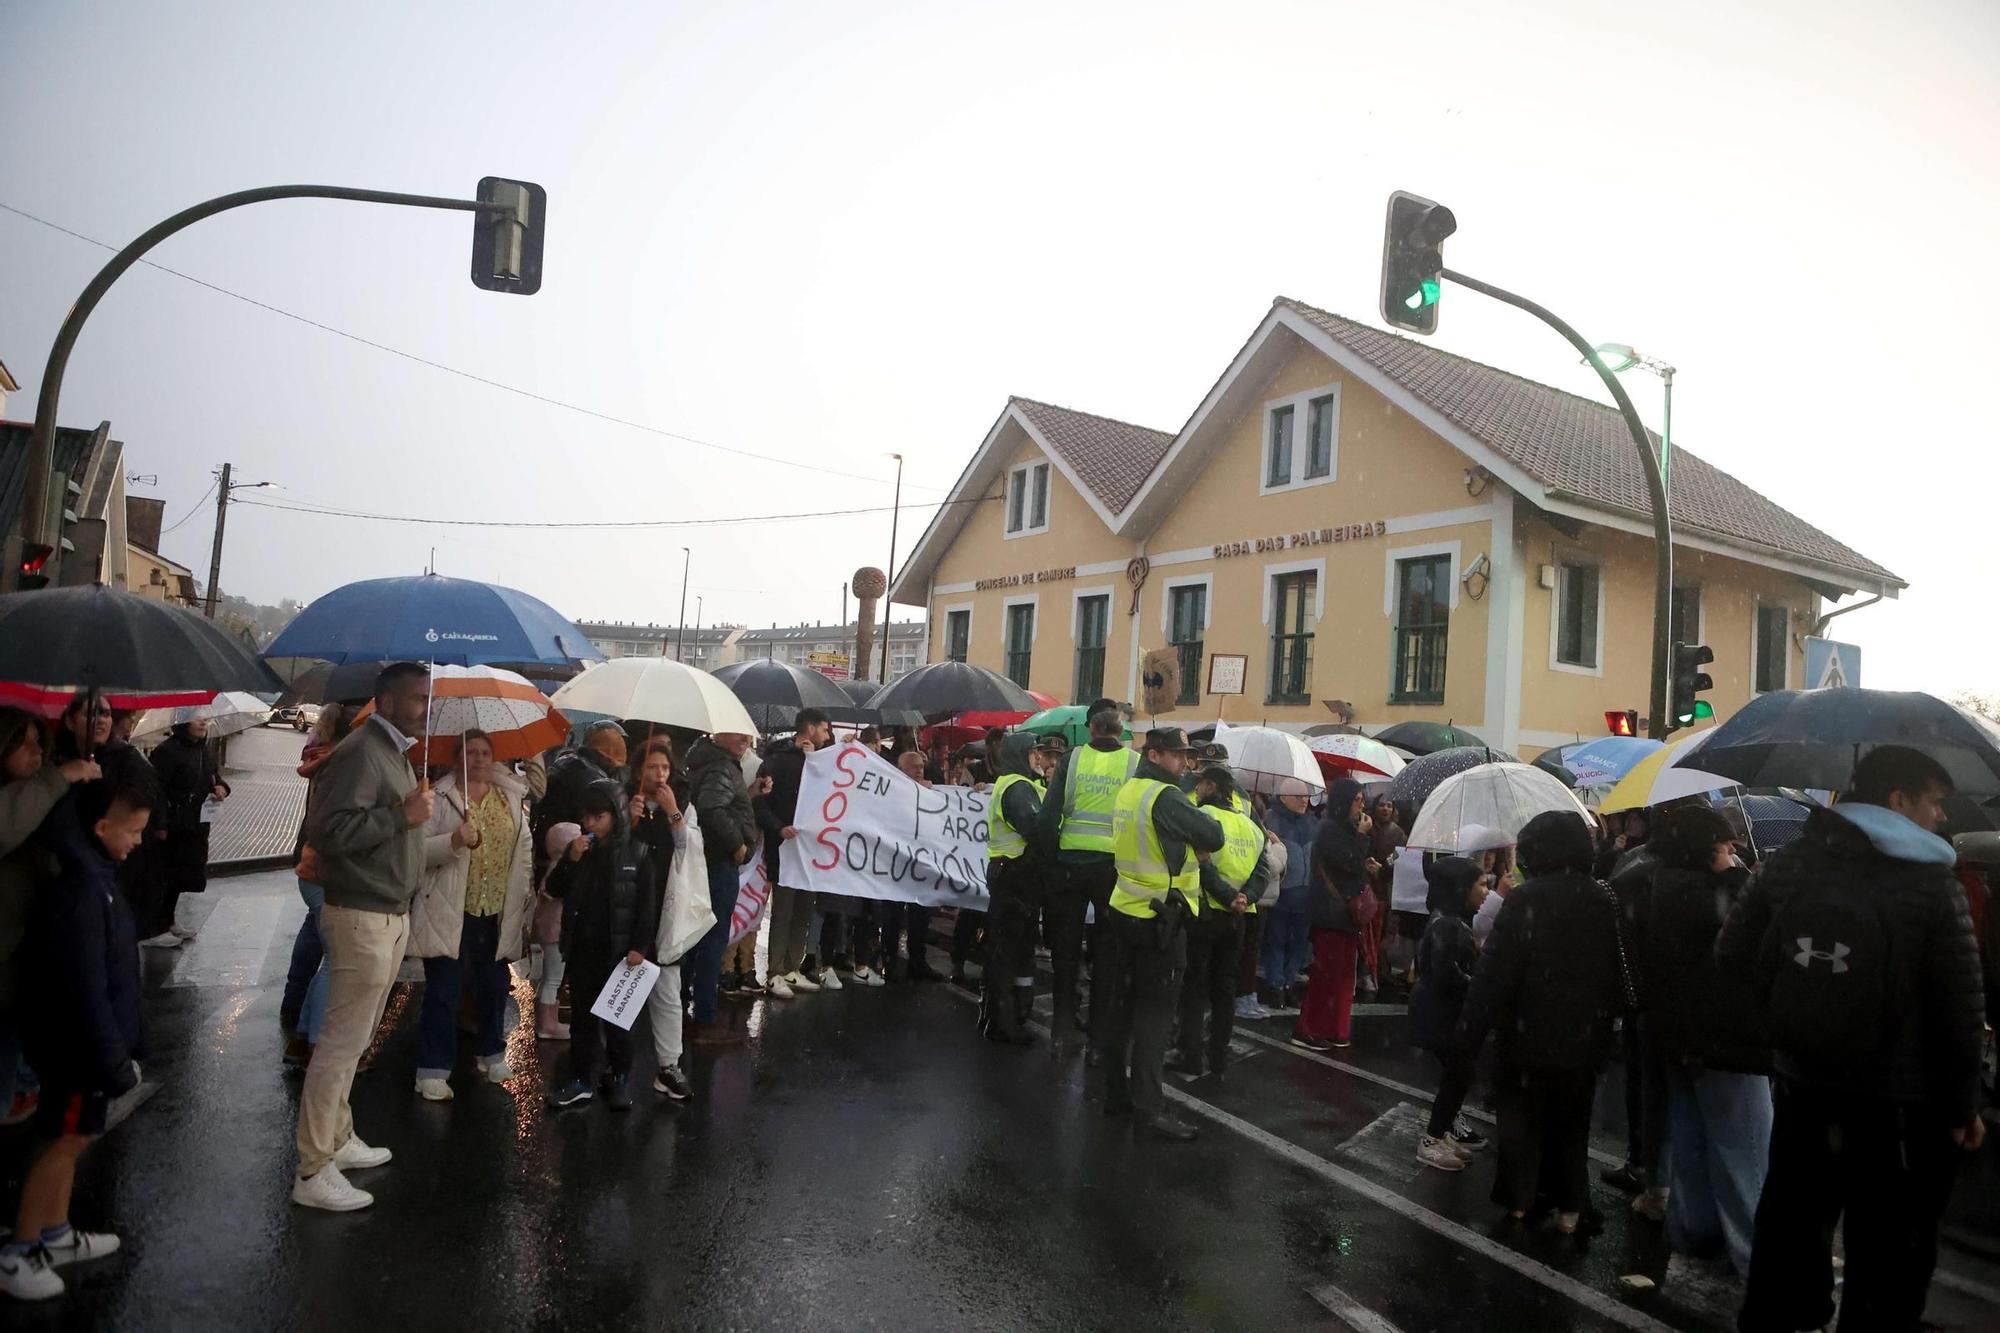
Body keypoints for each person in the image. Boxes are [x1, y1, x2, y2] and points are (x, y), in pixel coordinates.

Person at [1718, 746, 1984, 1332]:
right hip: (1898, 1102)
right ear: (1899, 800)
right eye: (1935, 802)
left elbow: (1732, 953)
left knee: (1792, 1218)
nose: (1941, 816)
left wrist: (1790, 1022)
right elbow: (1960, 1009)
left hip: (1804, 1082)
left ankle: (1779, 1317)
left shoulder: (1790, 864)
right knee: (1888, 1244)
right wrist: (1963, 1105)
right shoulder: (1932, 885)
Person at [0, 775, 152, 1301]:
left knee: (76, 1137)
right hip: (77, 1051)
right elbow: (86, 989)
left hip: (85, 1048)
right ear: (102, 828)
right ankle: (19, 1251)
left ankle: (56, 1232)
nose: (138, 841)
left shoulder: (95, 875)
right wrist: (113, 1059)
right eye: (132, 831)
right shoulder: (84, 890)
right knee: (62, 1142)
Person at [290, 662, 434, 1213]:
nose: (425, 708)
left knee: (357, 1039)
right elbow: (328, 832)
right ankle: (312, 1168)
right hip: (360, 914)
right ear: (387, 701)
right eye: (417, 698)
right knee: (339, 1045)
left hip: (388, 914)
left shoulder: (393, 752)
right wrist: (402, 815)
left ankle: (337, 1135)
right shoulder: (360, 752)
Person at [1456, 811, 1628, 1235]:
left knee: (1522, 1119)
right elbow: (1616, 969)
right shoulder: (1603, 896)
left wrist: (1470, 1030)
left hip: (1527, 1031)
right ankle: (1571, 1206)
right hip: (1585, 1033)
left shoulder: (1525, 900)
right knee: (1573, 1123)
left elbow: (1496, 973)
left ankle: (1520, 1198)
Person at [1633, 804, 1769, 1280]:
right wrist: (1744, 877)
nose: (1733, 852)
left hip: (1679, 1036)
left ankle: (1694, 1233)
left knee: (1691, 1139)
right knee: (1746, 1146)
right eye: (1727, 845)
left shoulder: (1663, 885)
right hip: (1725, 1040)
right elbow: (1752, 930)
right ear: (1706, 847)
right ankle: (1759, 1254)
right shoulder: (1716, 894)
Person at [1093, 728, 1223, 1142]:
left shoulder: (1132, 791)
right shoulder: (1165, 797)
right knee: (1154, 1017)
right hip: (1160, 922)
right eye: (1176, 755)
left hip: (1125, 912)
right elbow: (1214, 836)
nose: (1185, 762)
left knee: (1122, 1007)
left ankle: (1115, 1094)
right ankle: (1148, 1109)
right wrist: (1195, 841)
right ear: (1154, 755)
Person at [407, 731, 534, 1102]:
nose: (478, 759)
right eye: (471, 752)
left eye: (485, 753)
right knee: (444, 991)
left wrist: (522, 894)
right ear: (457, 758)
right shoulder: (439, 797)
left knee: (494, 987)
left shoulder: (509, 797)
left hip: (495, 910)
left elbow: (522, 850)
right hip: (451, 909)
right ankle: (432, 1069)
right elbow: (415, 852)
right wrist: (453, 841)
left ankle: (491, 1053)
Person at [0, 713, 97, 1135]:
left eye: (40, 742)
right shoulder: (31, 793)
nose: (37, 752)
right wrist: (57, 779)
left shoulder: (37, 796)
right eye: (24, 742)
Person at [544, 780, 661, 1110]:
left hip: (621, 954)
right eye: (587, 817)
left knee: (618, 1022)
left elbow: (646, 906)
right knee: (582, 1019)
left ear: (616, 815)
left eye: (599, 817)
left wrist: (640, 946)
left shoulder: (637, 853)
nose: (590, 824)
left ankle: (619, 1076)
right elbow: (554, 888)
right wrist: (570, 859)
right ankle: (582, 1078)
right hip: (583, 948)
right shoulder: (581, 850)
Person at [1035, 705, 1138, 1053]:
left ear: (1091, 729)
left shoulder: (1072, 759)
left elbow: (1048, 816)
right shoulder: (1134, 764)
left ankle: (1061, 1031)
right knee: (1107, 957)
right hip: (1112, 869)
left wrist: (1053, 857)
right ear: (1119, 731)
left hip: (1070, 864)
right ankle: (1097, 1042)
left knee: (1066, 952)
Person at [1168, 765, 1269, 1081]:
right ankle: (1219, 1058)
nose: (1196, 790)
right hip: (1238, 919)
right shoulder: (1252, 827)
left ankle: (1191, 1055)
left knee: (1195, 988)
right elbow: (1262, 872)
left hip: (1205, 912)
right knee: (1225, 990)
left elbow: (1201, 864)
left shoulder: (1204, 818)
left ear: (1211, 786)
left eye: (1200, 785)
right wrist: (1245, 898)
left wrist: (1227, 896)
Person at [1408, 856, 1489, 1171]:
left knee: (1458, 1076)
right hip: (1441, 1014)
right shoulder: (1446, 923)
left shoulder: (1453, 919)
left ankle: (1442, 1134)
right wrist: (1478, 983)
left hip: (1445, 1012)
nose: (1486, 891)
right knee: (1457, 1076)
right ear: (1461, 887)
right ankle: (1431, 1140)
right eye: (1481, 884)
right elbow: (1445, 972)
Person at [282, 704, 350, 1065]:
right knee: (336, 957)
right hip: (326, 870)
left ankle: (300, 1026)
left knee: (315, 935)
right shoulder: (340, 764)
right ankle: (314, 1041)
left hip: (311, 864)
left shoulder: (320, 755)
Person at [626, 741, 693, 1101]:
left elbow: (689, 850)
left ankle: (669, 1065)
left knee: (668, 987)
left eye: (665, 767)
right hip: (628, 905)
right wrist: (627, 819)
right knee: (622, 984)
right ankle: (615, 1065)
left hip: (666, 906)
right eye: (652, 767)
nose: (660, 774)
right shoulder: (625, 800)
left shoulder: (682, 803)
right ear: (640, 770)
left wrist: (673, 813)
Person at [685, 731, 758, 1043]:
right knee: (713, 940)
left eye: (747, 735)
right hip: (718, 862)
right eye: (738, 733)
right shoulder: (722, 766)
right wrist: (737, 844)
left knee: (696, 938)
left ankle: (684, 1011)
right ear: (719, 734)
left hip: (705, 860)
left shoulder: (707, 761)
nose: (745, 739)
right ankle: (705, 1018)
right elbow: (713, 807)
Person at [1292, 779, 1375, 1053]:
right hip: (1330, 913)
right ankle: (1309, 1028)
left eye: (1362, 800)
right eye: (1356, 800)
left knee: (1342, 975)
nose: (1360, 806)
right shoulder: (1328, 829)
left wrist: (1365, 863)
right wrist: (1361, 838)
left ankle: (1334, 1028)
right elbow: (1347, 861)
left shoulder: (1343, 829)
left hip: (1344, 916)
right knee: (1327, 974)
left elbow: (1352, 865)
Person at [980, 734, 1047, 1044]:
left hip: (1013, 875)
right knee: (1009, 951)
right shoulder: (1017, 787)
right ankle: (1003, 1022)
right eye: (1033, 752)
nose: (1039, 757)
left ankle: (1008, 1016)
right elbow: (1035, 829)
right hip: (1015, 876)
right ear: (1020, 754)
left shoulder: (1019, 784)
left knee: (1014, 950)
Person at [143, 719, 228, 947]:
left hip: (195, 824)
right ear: (183, 722)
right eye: (197, 718)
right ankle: (154, 927)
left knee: (180, 876)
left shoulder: (203, 750)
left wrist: (221, 787)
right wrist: (160, 824)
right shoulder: (167, 751)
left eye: (205, 718)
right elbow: (156, 790)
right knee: (164, 875)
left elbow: (214, 777)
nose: (203, 722)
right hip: (173, 824)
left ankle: (168, 919)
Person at [534, 720, 628, 844]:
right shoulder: (593, 778)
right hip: (569, 843)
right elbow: (595, 821)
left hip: (547, 835)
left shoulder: (568, 760)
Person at [1361, 794, 1404, 999]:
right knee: (1368, 934)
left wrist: (1385, 866)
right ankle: (1367, 972)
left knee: (1385, 933)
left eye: (1389, 806)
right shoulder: (1367, 828)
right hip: (1368, 888)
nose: (1385, 809)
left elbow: (1400, 855)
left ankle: (1382, 971)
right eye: (1381, 805)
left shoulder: (1398, 833)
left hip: (1388, 887)